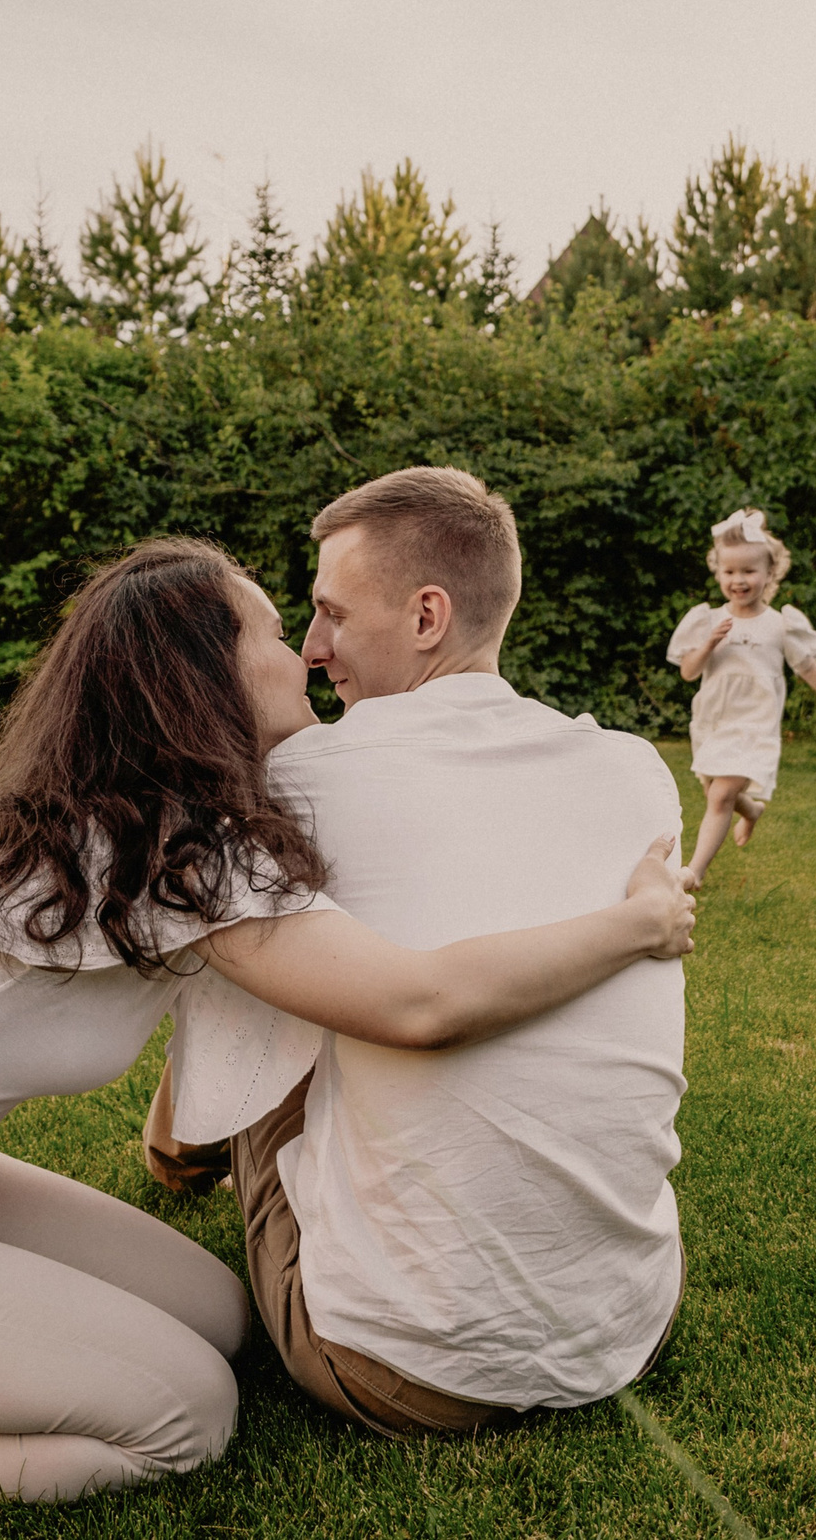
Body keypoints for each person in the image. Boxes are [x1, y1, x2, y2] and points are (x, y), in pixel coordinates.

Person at [0, 537, 695, 1502]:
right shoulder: (165, 853)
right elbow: (420, 1002)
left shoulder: (144, 828)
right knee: (181, 1418)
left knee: (216, 1312)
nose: (307, 652)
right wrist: (636, 926)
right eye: (276, 628)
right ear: (202, 673)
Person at [143, 467, 690, 1436]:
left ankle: (181, 1146)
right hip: (625, 1327)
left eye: (331, 615)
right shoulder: (633, 769)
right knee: (320, 945)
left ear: (427, 615)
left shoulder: (306, 775)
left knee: (272, 948)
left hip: (396, 1365)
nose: (311, 651)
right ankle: (184, 1144)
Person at [666, 507, 816, 890]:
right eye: (730, 571)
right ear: (718, 572)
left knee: (720, 794)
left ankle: (695, 871)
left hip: (756, 722)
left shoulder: (779, 624)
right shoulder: (708, 620)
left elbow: (807, 667)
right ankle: (752, 810)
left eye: (748, 571)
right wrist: (708, 644)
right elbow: (689, 672)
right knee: (717, 792)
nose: (739, 580)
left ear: (770, 574)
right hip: (715, 720)